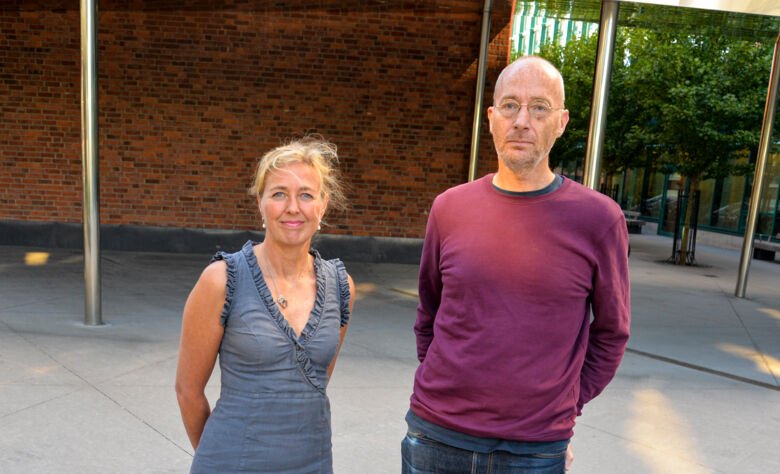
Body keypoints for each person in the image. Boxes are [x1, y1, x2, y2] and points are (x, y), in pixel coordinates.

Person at [403, 56, 630, 473]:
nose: (522, 120)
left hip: (534, 451)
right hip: (436, 436)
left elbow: (612, 332)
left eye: (539, 107)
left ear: (561, 122)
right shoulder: (449, 208)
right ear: (491, 118)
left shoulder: (599, 219)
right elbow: (429, 313)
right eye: (510, 105)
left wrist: (566, 404)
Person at [175, 137, 355, 473]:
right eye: (278, 194)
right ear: (260, 203)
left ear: (323, 205)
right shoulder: (221, 280)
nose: (292, 207)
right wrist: (222, 459)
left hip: (312, 462)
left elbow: (314, 383)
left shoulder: (341, 287)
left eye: (305, 194)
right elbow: (188, 391)